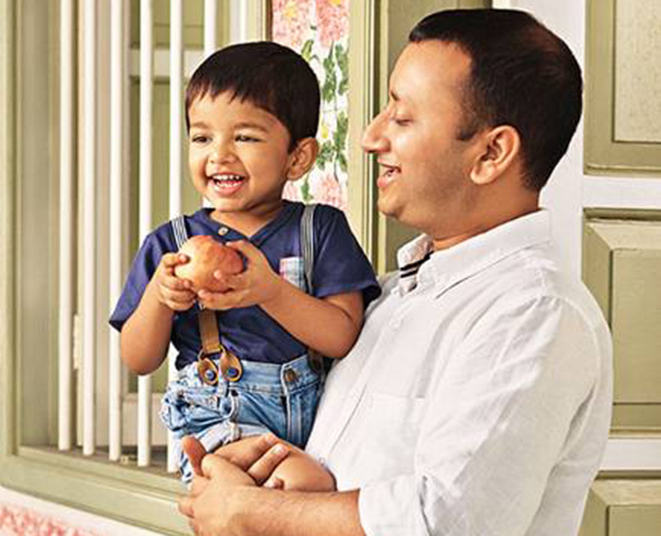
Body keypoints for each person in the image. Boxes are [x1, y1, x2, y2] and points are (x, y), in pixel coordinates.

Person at [177, 9, 613, 536]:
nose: (370, 137)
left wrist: (255, 514)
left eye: (402, 118)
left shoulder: (534, 313)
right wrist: (264, 463)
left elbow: (449, 519)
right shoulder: (390, 298)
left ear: (491, 152)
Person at [109, 41, 379, 489]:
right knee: (293, 486)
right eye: (202, 137)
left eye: (246, 137)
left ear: (298, 157)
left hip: (311, 421)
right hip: (214, 421)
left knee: (310, 487)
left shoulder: (319, 230)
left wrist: (270, 291)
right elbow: (139, 359)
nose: (220, 154)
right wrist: (160, 297)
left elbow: (341, 336)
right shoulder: (171, 246)